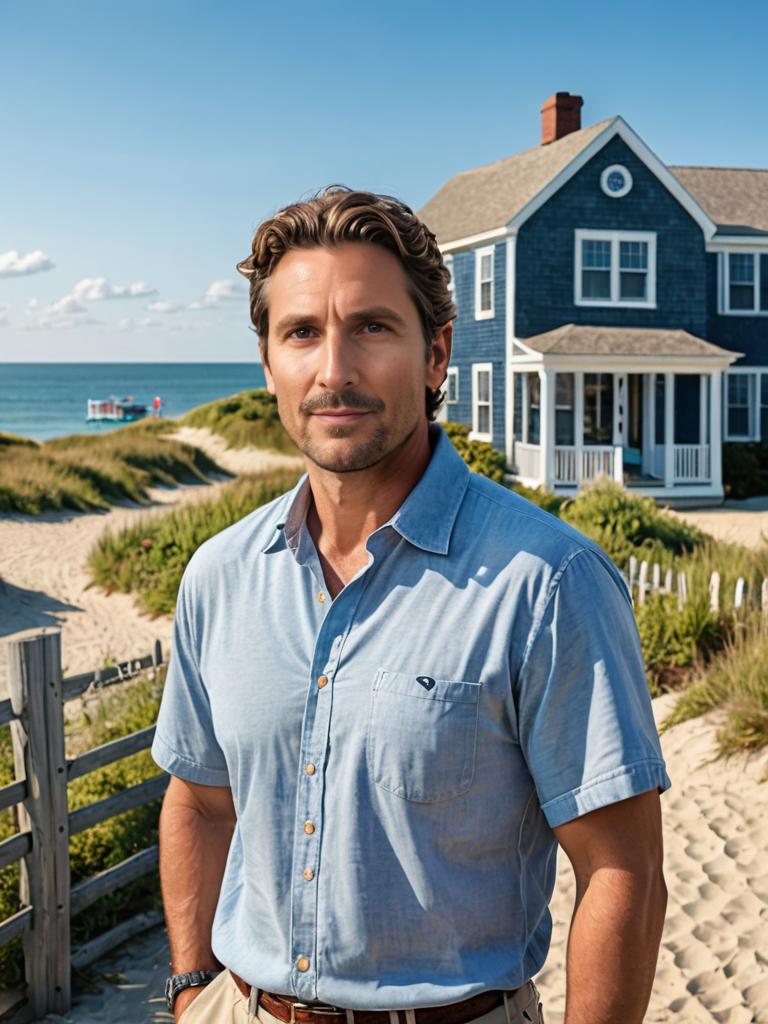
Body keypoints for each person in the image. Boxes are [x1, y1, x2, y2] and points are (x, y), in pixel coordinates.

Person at [151, 186, 671, 1024]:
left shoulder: (546, 583)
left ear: (437, 355)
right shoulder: (219, 575)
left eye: (372, 327)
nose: (335, 370)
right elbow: (201, 799)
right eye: (302, 333)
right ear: (268, 362)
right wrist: (187, 991)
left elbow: (624, 871)